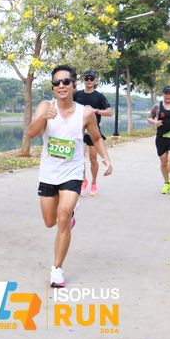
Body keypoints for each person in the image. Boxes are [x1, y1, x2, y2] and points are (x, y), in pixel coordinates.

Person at [27, 65, 113, 288]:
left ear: (74, 85)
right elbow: (30, 133)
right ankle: (67, 217)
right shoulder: (45, 106)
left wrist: (106, 158)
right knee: (50, 222)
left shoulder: (85, 112)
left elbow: (96, 138)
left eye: (66, 81)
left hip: (72, 173)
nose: (61, 86)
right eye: (57, 83)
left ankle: (57, 270)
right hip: (49, 173)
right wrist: (44, 117)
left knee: (63, 217)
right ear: (53, 88)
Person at [73, 69, 113, 196]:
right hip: (79, 131)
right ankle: (83, 180)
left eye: (91, 79)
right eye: (87, 78)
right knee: (79, 158)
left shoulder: (99, 96)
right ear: (84, 80)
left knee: (93, 158)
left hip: (94, 131)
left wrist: (95, 111)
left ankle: (94, 182)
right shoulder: (77, 95)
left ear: (95, 81)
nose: (89, 81)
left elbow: (110, 112)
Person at [146, 86, 170, 194]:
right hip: (161, 138)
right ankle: (166, 183)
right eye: (166, 93)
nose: (168, 95)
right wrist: (155, 122)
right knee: (163, 163)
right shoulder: (158, 106)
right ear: (163, 94)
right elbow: (149, 118)